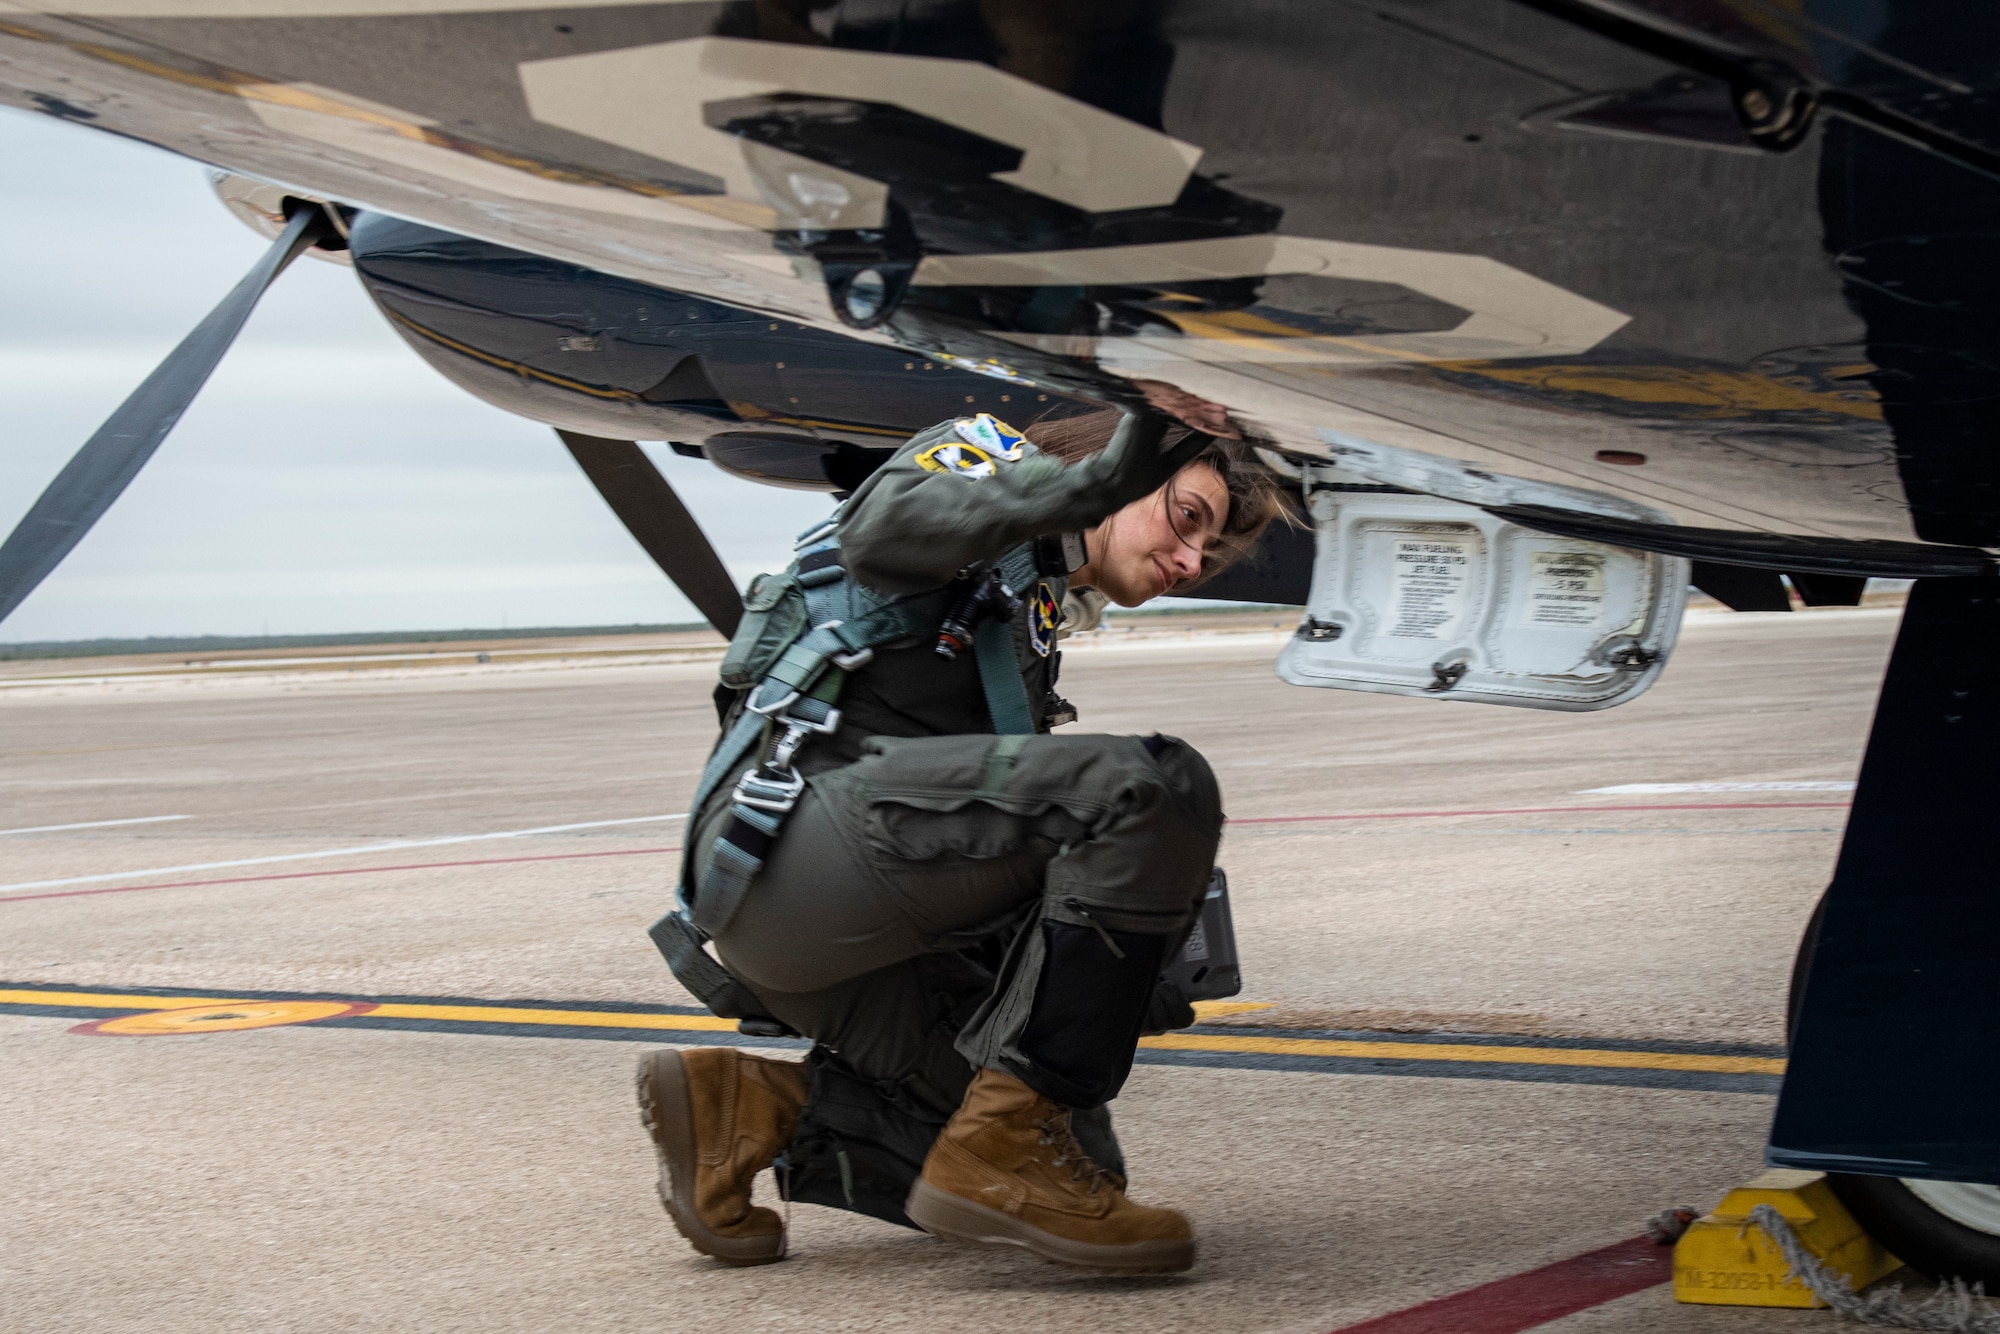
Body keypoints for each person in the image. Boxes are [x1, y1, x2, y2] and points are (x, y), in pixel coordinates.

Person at [636, 405, 1286, 1275]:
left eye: (1209, 552)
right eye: (1186, 517)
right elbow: (879, 528)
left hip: (859, 918)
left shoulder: (1032, 601)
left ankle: (751, 1108)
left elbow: (999, 832)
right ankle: (1000, 1145)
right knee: (1155, 787)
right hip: (795, 866)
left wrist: (1111, 963)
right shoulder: (980, 463)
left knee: (1080, 1165)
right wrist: (1099, 477)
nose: (1191, 560)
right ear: (1116, 466)